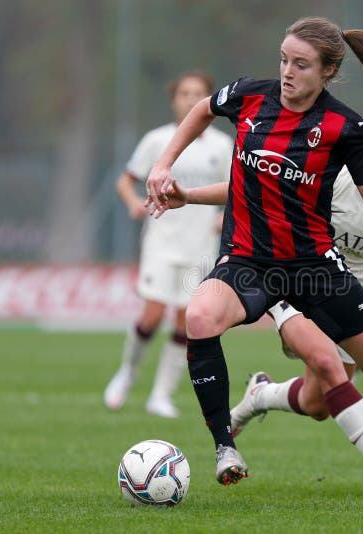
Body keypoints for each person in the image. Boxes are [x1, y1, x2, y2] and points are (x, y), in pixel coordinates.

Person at [146, 17, 363, 500]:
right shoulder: (249, 97)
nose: (287, 72)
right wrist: (164, 166)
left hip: (315, 270)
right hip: (248, 262)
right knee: (200, 314)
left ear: (328, 71)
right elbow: (203, 110)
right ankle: (226, 448)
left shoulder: (346, 128)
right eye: (284, 59)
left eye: (301, 64)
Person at [172, 104, 363, 495]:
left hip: (350, 296)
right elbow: (244, 187)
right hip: (294, 276)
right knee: (328, 365)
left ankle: (260, 395)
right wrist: (188, 195)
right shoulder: (335, 173)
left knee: (318, 403)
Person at [103, 70, 234, 418]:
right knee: (151, 316)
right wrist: (132, 202)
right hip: (161, 242)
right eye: (184, 93)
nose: (191, 100)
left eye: (199, 94)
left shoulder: (222, 146)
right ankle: (127, 373)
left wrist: (225, 218)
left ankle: (161, 395)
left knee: (184, 322)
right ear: (173, 99)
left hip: (200, 246)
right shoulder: (157, 140)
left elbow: (237, 189)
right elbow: (125, 180)